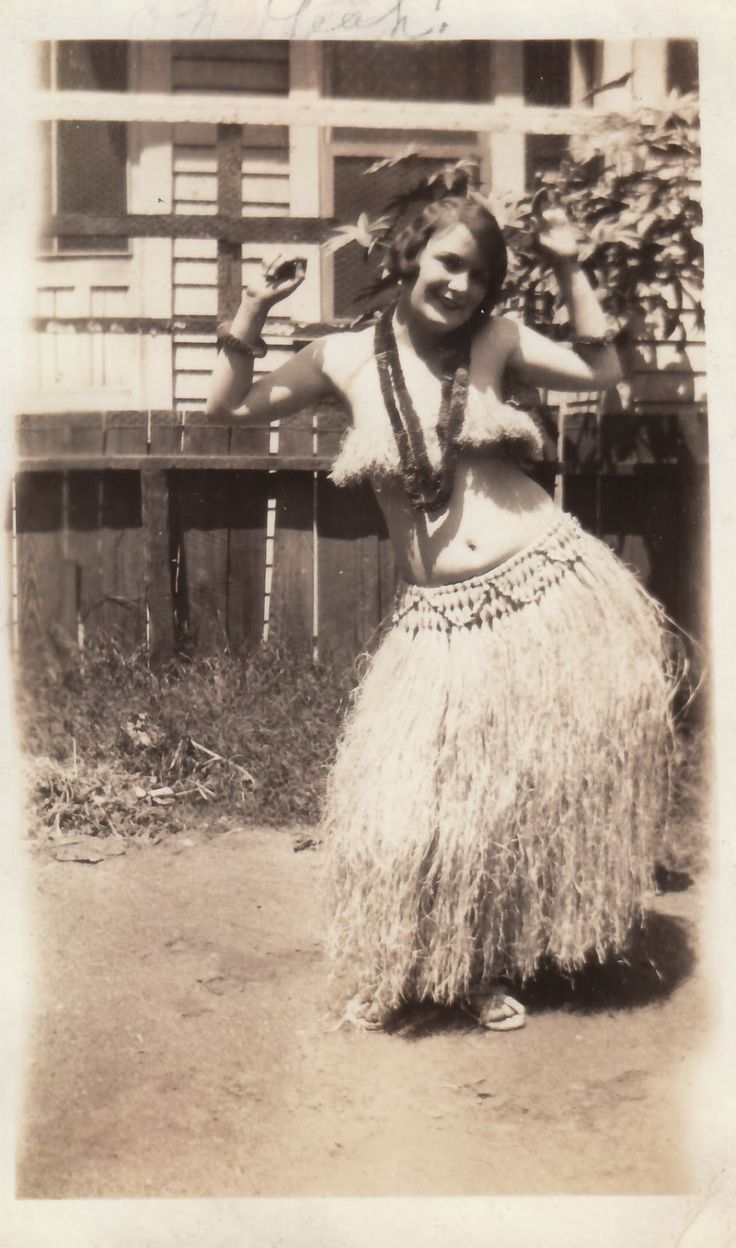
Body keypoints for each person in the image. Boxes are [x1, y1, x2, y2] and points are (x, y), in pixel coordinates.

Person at [206, 195, 679, 1033]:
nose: (460, 284)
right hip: (440, 617)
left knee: (509, 802)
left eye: (478, 273)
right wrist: (251, 309)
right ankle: (404, 963)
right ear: (408, 259)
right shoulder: (342, 357)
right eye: (447, 262)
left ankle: (482, 964)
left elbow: (604, 371)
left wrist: (569, 265)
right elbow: (228, 411)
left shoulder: (494, 342)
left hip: (547, 588)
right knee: (403, 805)